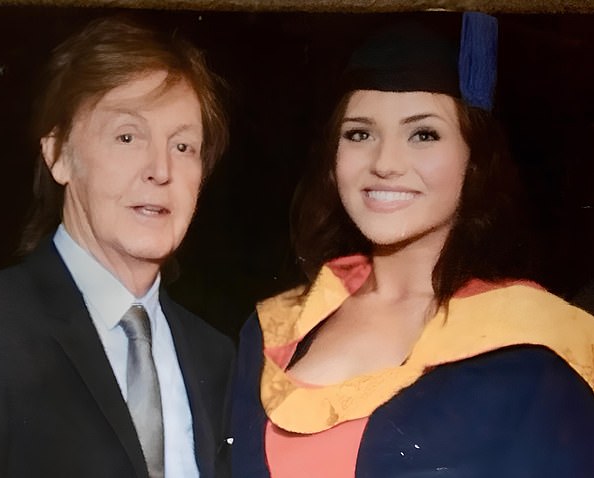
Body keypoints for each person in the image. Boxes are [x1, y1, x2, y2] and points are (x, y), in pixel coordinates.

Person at [230, 12, 594, 478]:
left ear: (475, 160)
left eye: (424, 134)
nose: (385, 162)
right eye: (359, 133)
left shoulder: (531, 352)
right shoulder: (274, 330)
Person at [0, 16, 234, 478]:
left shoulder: (218, 357)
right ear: (59, 155)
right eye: (127, 137)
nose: (160, 170)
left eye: (184, 146)